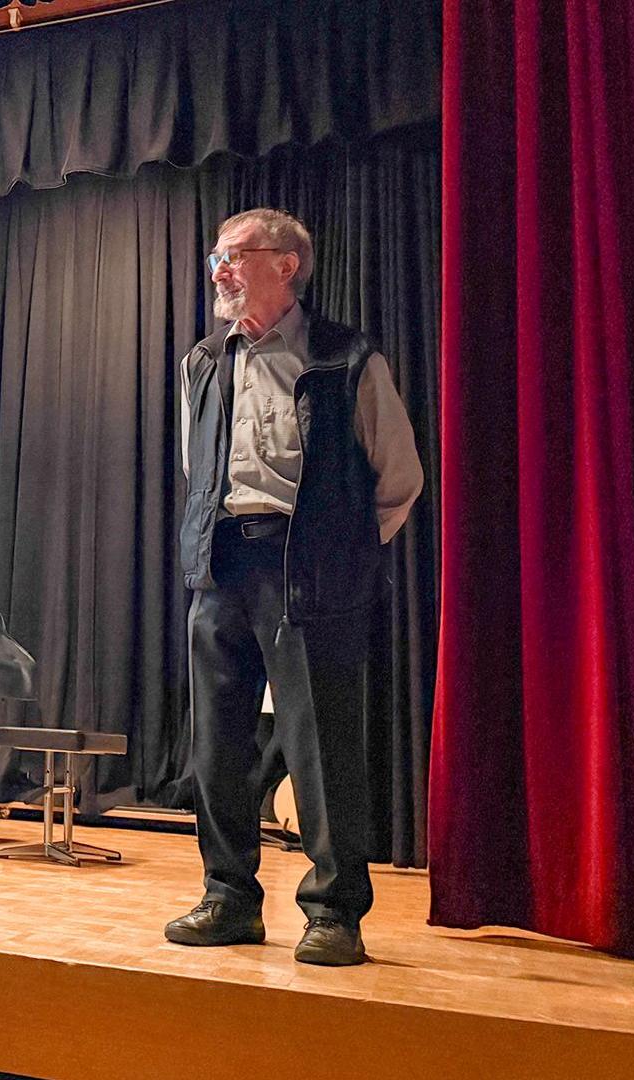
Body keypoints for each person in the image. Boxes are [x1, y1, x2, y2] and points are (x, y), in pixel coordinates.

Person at [164, 208, 423, 966]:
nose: (219, 269)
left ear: (286, 264)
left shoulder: (346, 357)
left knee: (322, 745)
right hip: (221, 565)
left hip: (306, 569)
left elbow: (398, 478)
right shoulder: (202, 362)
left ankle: (336, 911)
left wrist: (337, 554)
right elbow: (198, 468)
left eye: (234, 254)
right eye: (216, 256)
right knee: (217, 743)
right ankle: (228, 897)